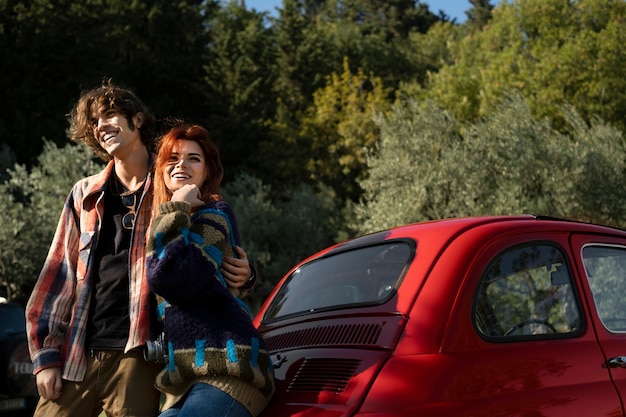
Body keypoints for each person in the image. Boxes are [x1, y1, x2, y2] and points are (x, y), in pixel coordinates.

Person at [25, 81, 255, 417]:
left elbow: (208, 249)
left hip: (140, 357)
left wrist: (246, 275)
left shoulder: (170, 181)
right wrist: (45, 356)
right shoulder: (84, 194)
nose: (101, 125)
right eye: (94, 122)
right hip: (77, 353)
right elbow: (57, 276)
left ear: (136, 120)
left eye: (109, 115)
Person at [146, 122, 275, 417]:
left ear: (206, 172)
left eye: (194, 158)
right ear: (161, 170)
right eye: (173, 158)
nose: (182, 165)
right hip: (183, 385)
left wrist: (175, 208)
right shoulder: (166, 225)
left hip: (228, 374)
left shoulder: (215, 216)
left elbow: (171, 278)